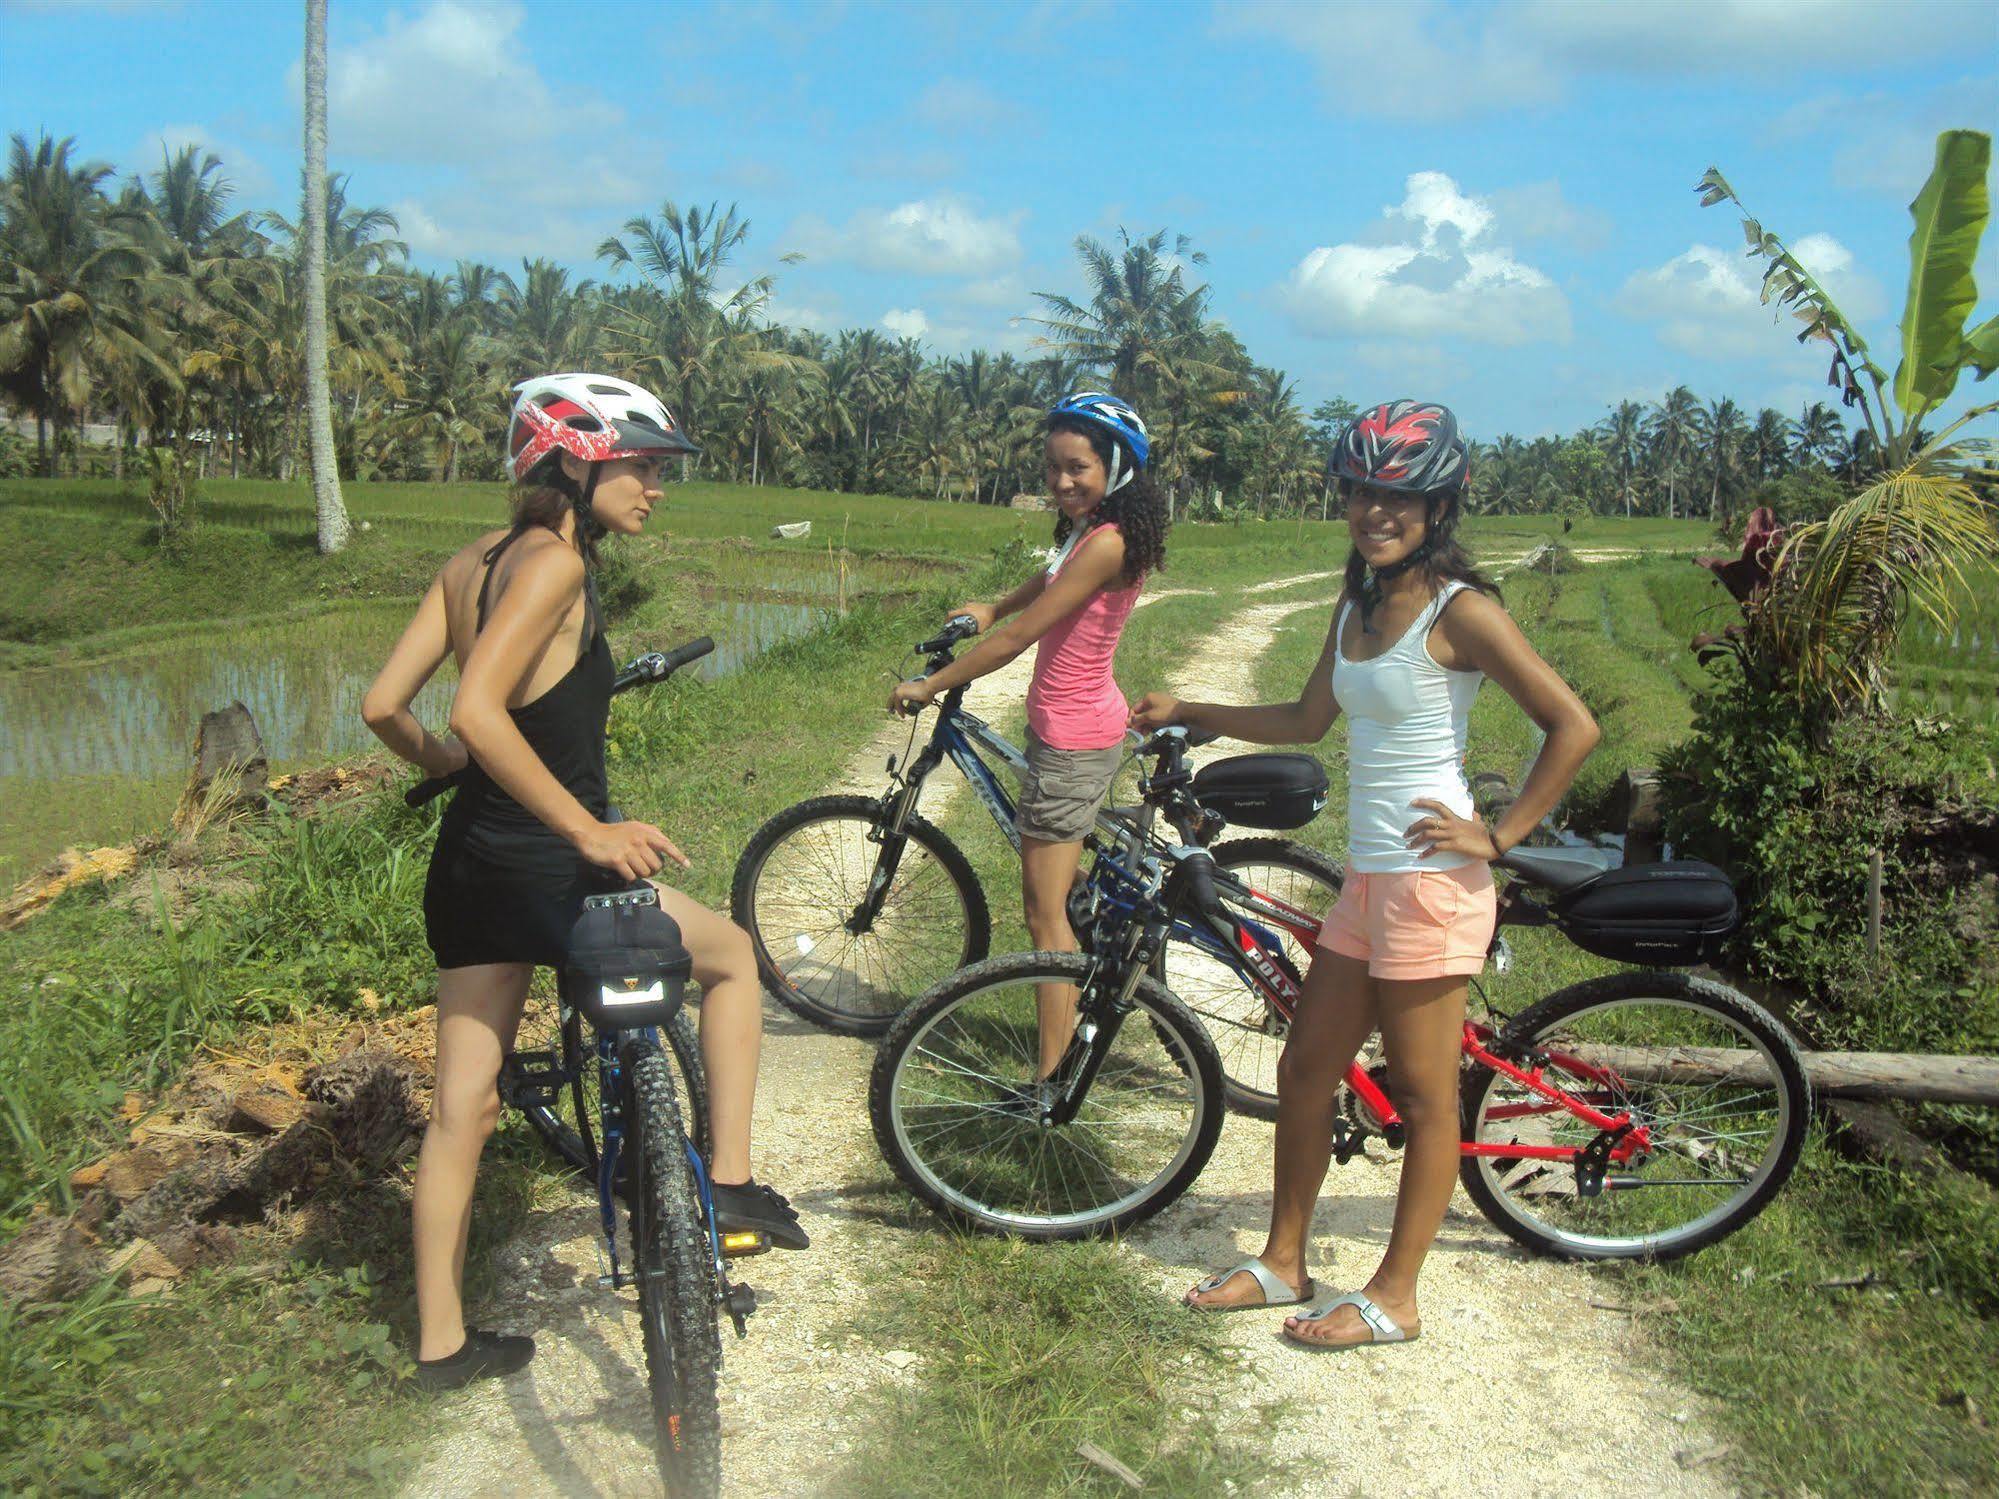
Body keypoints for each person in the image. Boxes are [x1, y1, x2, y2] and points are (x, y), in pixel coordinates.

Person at [363, 373, 807, 1393]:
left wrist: (441, 770)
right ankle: (728, 1184)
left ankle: (440, 1344)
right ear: (571, 460)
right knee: (733, 956)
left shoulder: (467, 562)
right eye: (640, 467)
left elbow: (386, 705)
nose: (655, 487)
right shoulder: (556, 564)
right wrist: (587, 828)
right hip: (548, 866)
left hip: (468, 866)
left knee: (460, 1110)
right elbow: (481, 711)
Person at [1132, 399, 1599, 1348]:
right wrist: (1197, 707)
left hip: (1431, 887)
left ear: (1437, 504)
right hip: (1368, 881)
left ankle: (1394, 1296)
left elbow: (1572, 724)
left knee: (1426, 1098)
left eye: (1398, 496)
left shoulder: (1459, 609)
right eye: (1360, 493)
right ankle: (1283, 1261)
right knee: (1307, 1067)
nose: (1373, 512)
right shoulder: (1357, 599)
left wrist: (1498, 836)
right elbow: (1310, 719)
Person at [889, 391, 1168, 1078]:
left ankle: (1051, 1078)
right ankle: (1090, 956)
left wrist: (930, 684)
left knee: (1044, 920)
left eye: (1077, 467)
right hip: (1076, 725)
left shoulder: (1106, 543)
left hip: (1072, 739)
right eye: (1051, 468)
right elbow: (1045, 584)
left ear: (1115, 469)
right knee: (1061, 885)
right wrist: (990, 603)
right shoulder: (1092, 531)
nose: (1061, 481)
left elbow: (1021, 638)